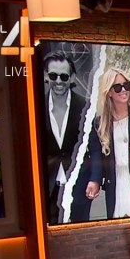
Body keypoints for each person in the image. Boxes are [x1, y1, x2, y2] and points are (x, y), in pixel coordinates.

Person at [83, 68, 130, 219]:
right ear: (109, 92)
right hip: (115, 181)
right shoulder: (100, 123)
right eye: (117, 87)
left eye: (126, 85)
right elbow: (96, 155)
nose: (123, 90)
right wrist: (95, 179)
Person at [41, 50, 86, 224]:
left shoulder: (85, 106)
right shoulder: (36, 106)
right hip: (47, 184)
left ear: (72, 78)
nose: (58, 81)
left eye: (64, 76)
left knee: (80, 229)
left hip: (77, 184)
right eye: (53, 75)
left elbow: (92, 144)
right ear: (46, 76)